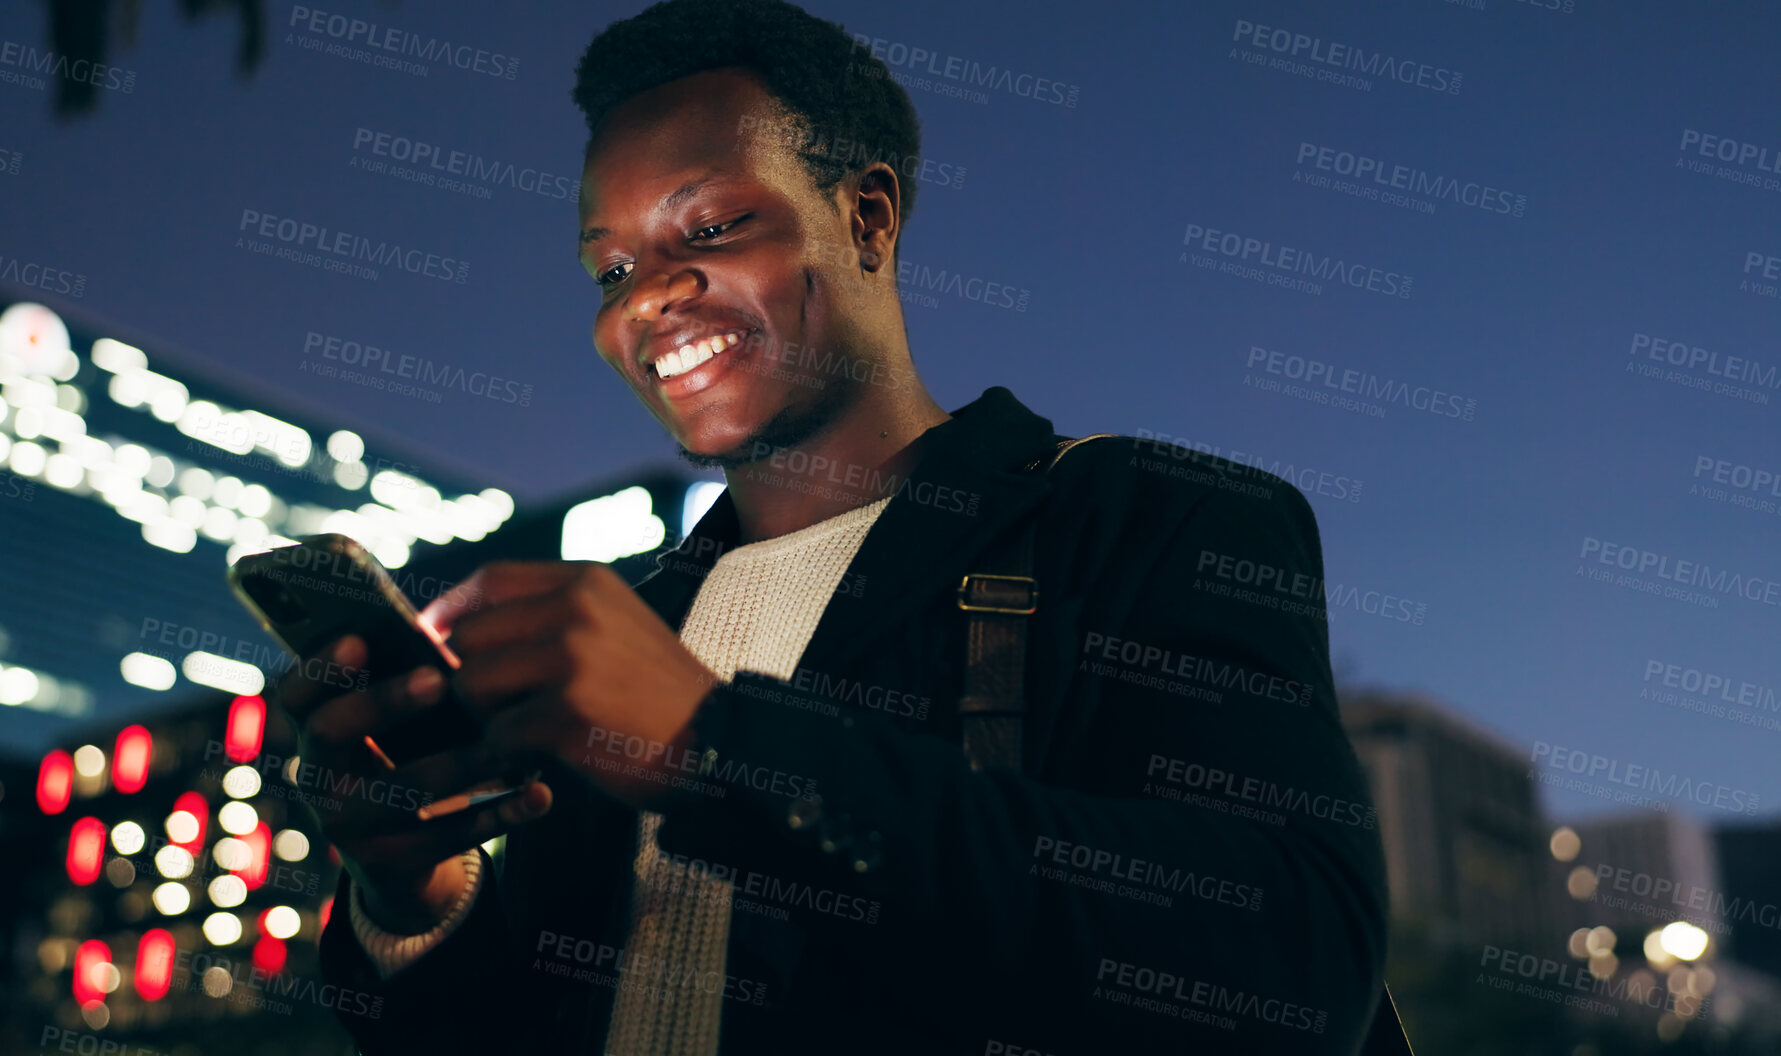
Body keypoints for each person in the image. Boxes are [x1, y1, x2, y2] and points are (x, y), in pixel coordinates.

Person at [277, 0, 1389, 1052]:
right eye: (610, 268)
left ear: (867, 217)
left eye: (709, 225)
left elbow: (1290, 972)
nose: (645, 299)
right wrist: (411, 900)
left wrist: (718, 749)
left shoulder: (1150, 522)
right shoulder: (618, 632)